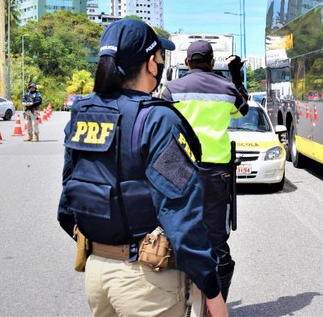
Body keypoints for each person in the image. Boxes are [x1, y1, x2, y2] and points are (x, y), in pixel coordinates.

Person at [57, 18, 227, 317]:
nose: (160, 63)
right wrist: (212, 290)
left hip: (97, 273)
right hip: (146, 280)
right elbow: (181, 216)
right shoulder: (157, 119)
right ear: (151, 64)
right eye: (160, 57)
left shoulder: (83, 111)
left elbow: (67, 204)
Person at [162, 40, 249, 301]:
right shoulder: (227, 89)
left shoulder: (171, 90)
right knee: (217, 241)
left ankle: (178, 300)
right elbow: (243, 110)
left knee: (176, 233)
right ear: (212, 63)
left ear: (187, 63)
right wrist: (236, 76)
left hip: (178, 171)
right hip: (216, 174)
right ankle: (217, 304)